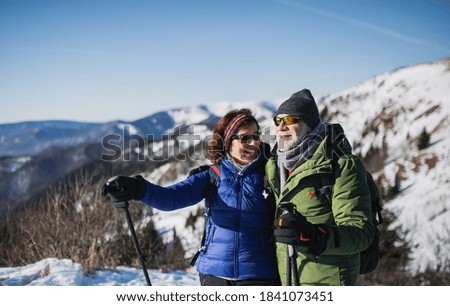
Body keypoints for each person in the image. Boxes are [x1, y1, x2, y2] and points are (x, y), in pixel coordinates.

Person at [102, 108, 280, 286]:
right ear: (228, 142)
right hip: (214, 274)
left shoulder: (271, 174)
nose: (253, 143)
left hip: (258, 273)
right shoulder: (213, 175)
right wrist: (137, 188)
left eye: (256, 136)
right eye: (245, 138)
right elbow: (170, 198)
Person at [266, 89, 375, 286]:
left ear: (310, 125)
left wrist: (314, 236)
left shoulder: (341, 165)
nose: (282, 127)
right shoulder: (276, 165)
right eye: (278, 120)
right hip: (289, 279)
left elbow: (361, 233)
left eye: (291, 120)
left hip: (327, 281)